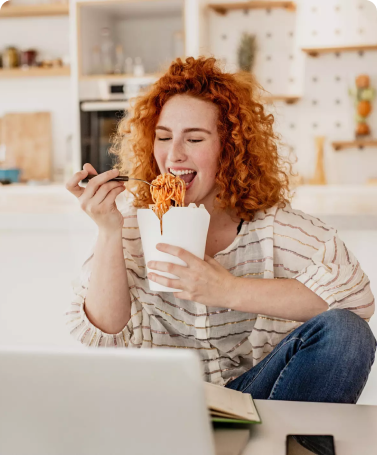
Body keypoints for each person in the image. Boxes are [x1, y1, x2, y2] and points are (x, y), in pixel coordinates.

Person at [66, 56, 376, 404]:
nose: (173, 156)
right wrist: (109, 232)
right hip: (161, 404)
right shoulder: (130, 223)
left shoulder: (275, 229)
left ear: (229, 148)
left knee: (348, 332)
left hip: (256, 401)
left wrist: (226, 289)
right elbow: (102, 337)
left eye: (194, 139)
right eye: (164, 137)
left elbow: (356, 300)